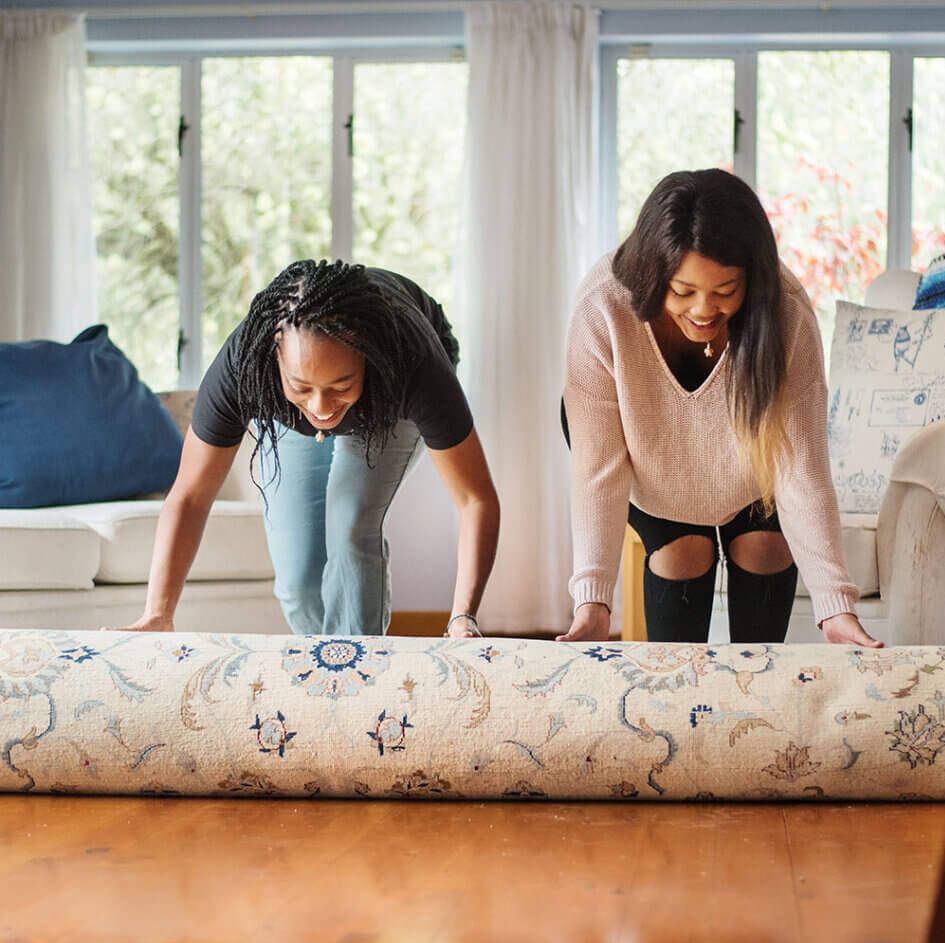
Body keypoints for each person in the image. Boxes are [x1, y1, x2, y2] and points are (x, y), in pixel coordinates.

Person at [557, 169, 882, 648]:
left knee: (765, 548)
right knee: (685, 553)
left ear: (753, 278)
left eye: (725, 291)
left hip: (748, 461)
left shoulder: (786, 313)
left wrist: (836, 608)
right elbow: (598, 472)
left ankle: (759, 704)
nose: (704, 310)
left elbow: (800, 468)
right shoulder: (603, 309)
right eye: (683, 291)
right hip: (648, 457)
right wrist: (592, 602)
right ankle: (676, 709)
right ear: (653, 271)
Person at [123, 258, 499, 639]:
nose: (321, 408)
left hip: (388, 394)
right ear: (275, 359)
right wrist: (157, 613)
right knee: (298, 580)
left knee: (349, 525)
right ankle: (325, 672)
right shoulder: (244, 368)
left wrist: (462, 616)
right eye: (302, 387)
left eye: (340, 385)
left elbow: (475, 500)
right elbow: (189, 497)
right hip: (288, 409)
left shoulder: (413, 364)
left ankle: (361, 674)